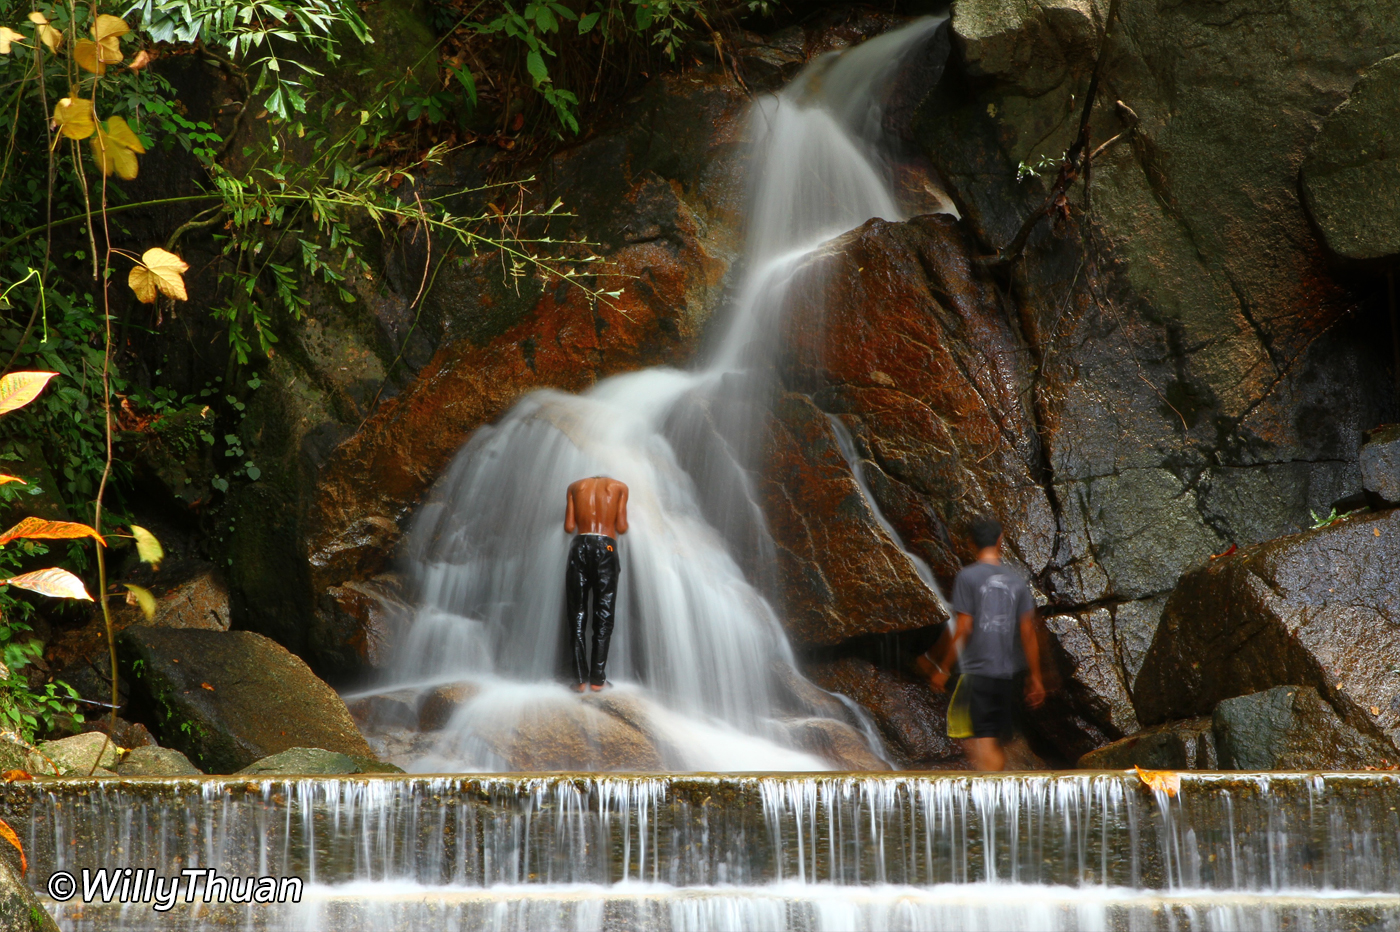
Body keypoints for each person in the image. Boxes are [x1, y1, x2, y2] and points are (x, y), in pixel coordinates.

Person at [919, 516, 1046, 771]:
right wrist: (1035, 677)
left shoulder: (968, 577)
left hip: (978, 674)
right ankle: (996, 800)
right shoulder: (1016, 579)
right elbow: (1027, 632)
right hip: (1008, 675)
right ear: (1000, 540)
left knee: (979, 743)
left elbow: (964, 626)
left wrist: (943, 668)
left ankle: (993, 805)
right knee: (991, 741)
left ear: (970, 543)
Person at [563, 475, 629, 692]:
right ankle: (598, 680)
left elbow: (569, 526)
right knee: (604, 614)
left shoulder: (574, 487)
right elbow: (621, 527)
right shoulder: (619, 488)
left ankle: (580, 680)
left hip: (579, 546)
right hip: (606, 548)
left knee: (577, 614)